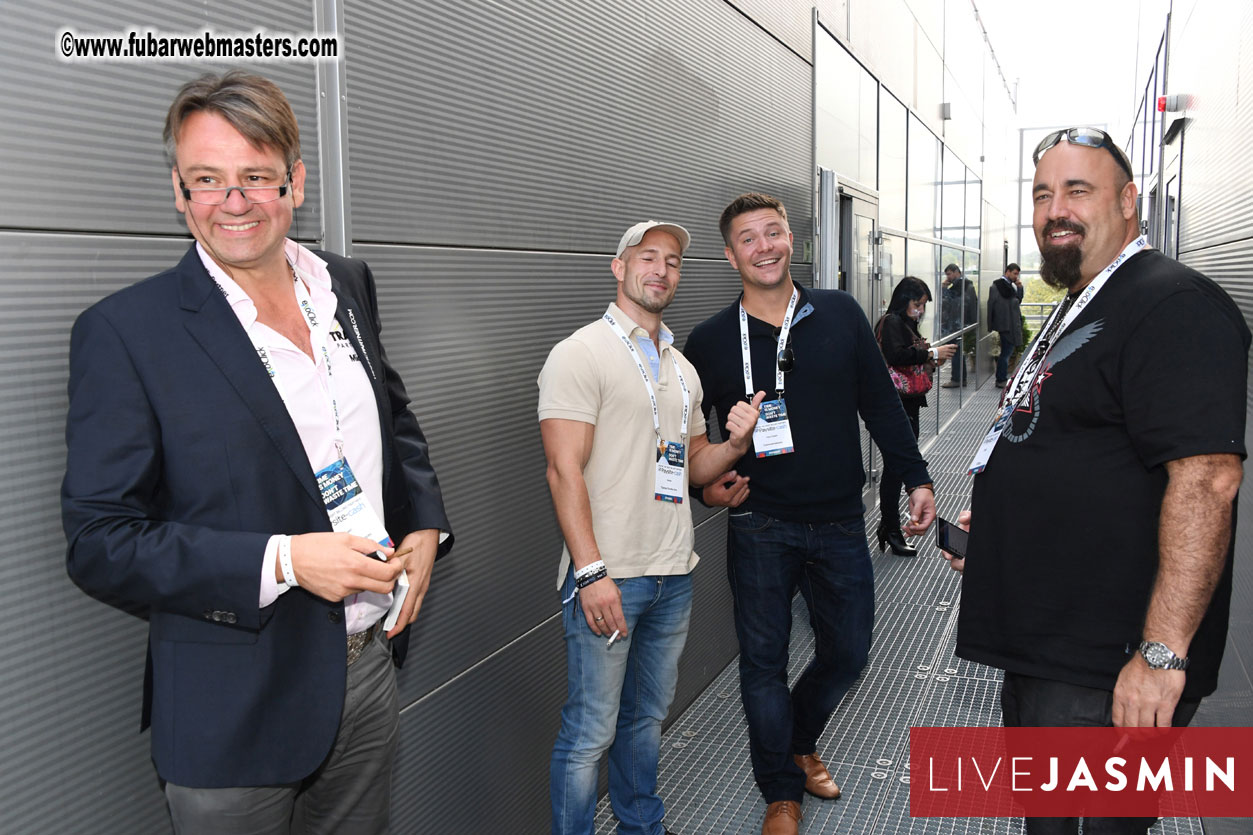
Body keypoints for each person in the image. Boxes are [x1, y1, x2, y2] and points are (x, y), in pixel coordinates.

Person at [61, 71, 453, 834]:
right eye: (207, 179)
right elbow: (99, 542)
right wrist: (286, 561)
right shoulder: (125, 331)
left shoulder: (345, 283)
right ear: (177, 189)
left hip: (368, 666)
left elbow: (393, 418)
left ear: (296, 181)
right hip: (231, 705)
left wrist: (427, 523)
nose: (232, 201)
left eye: (255, 177)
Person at [946, 127, 1248, 835]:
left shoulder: (1171, 304)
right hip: (1051, 647)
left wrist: (1159, 654)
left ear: (1128, 200)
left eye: (1077, 190)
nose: (1056, 209)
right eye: (1043, 193)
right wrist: (997, 531)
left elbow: (1206, 480)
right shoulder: (1083, 299)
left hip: (1106, 668)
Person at [683, 194, 938, 835]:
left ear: (791, 239)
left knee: (848, 654)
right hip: (760, 525)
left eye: (773, 233)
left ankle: (797, 737)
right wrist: (702, 491)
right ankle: (781, 792)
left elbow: (880, 404)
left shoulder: (841, 314)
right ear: (729, 254)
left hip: (839, 521)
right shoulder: (709, 341)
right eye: (748, 238)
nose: (764, 246)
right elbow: (688, 439)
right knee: (763, 664)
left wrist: (915, 476)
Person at [539, 221, 762, 835]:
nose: (660, 270)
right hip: (608, 577)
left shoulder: (681, 369)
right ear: (619, 268)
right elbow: (564, 472)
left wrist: (734, 444)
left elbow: (693, 465)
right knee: (590, 732)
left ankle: (642, 825)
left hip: (672, 575)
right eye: (647, 258)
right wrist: (591, 573)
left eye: (671, 262)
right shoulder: (580, 353)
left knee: (644, 722)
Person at [874, 277, 956, 556]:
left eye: (922, 306)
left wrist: (931, 359)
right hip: (893, 405)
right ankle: (890, 528)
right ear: (903, 300)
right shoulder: (891, 322)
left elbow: (909, 358)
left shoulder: (905, 325)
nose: (920, 310)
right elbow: (896, 355)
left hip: (907, 402)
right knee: (897, 467)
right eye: (917, 304)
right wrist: (931, 352)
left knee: (897, 467)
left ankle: (889, 527)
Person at [940, 263, 978, 387]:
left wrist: (944, 289)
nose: (948, 277)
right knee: (958, 352)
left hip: (956, 325)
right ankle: (960, 378)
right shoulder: (967, 285)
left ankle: (957, 379)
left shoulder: (960, 286)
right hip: (962, 323)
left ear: (957, 272)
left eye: (949, 274)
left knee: (956, 352)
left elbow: (949, 302)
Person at [987, 263, 1024, 386]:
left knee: (1007, 351)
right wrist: (991, 324)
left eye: (1017, 274)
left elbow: (1017, 300)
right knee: (1006, 352)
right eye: (1014, 274)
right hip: (1006, 325)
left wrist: (1019, 288)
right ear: (1007, 272)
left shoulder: (1009, 286)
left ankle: (1001, 377)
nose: (1016, 277)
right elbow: (991, 305)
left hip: (1010, 324)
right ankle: (1001, 378)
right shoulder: (998, 286)